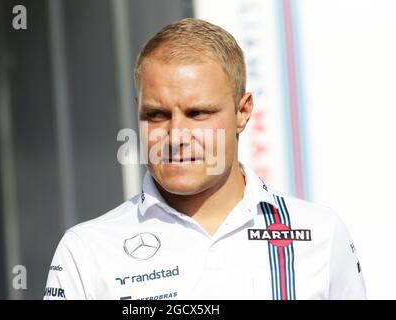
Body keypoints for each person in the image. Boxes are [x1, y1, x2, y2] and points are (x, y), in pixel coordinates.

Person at [44, 18, 366, 300]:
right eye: (156, 115)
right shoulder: (86, 251)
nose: (176, 135)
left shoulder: (319, 234)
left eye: (198, 113)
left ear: (243, 112)